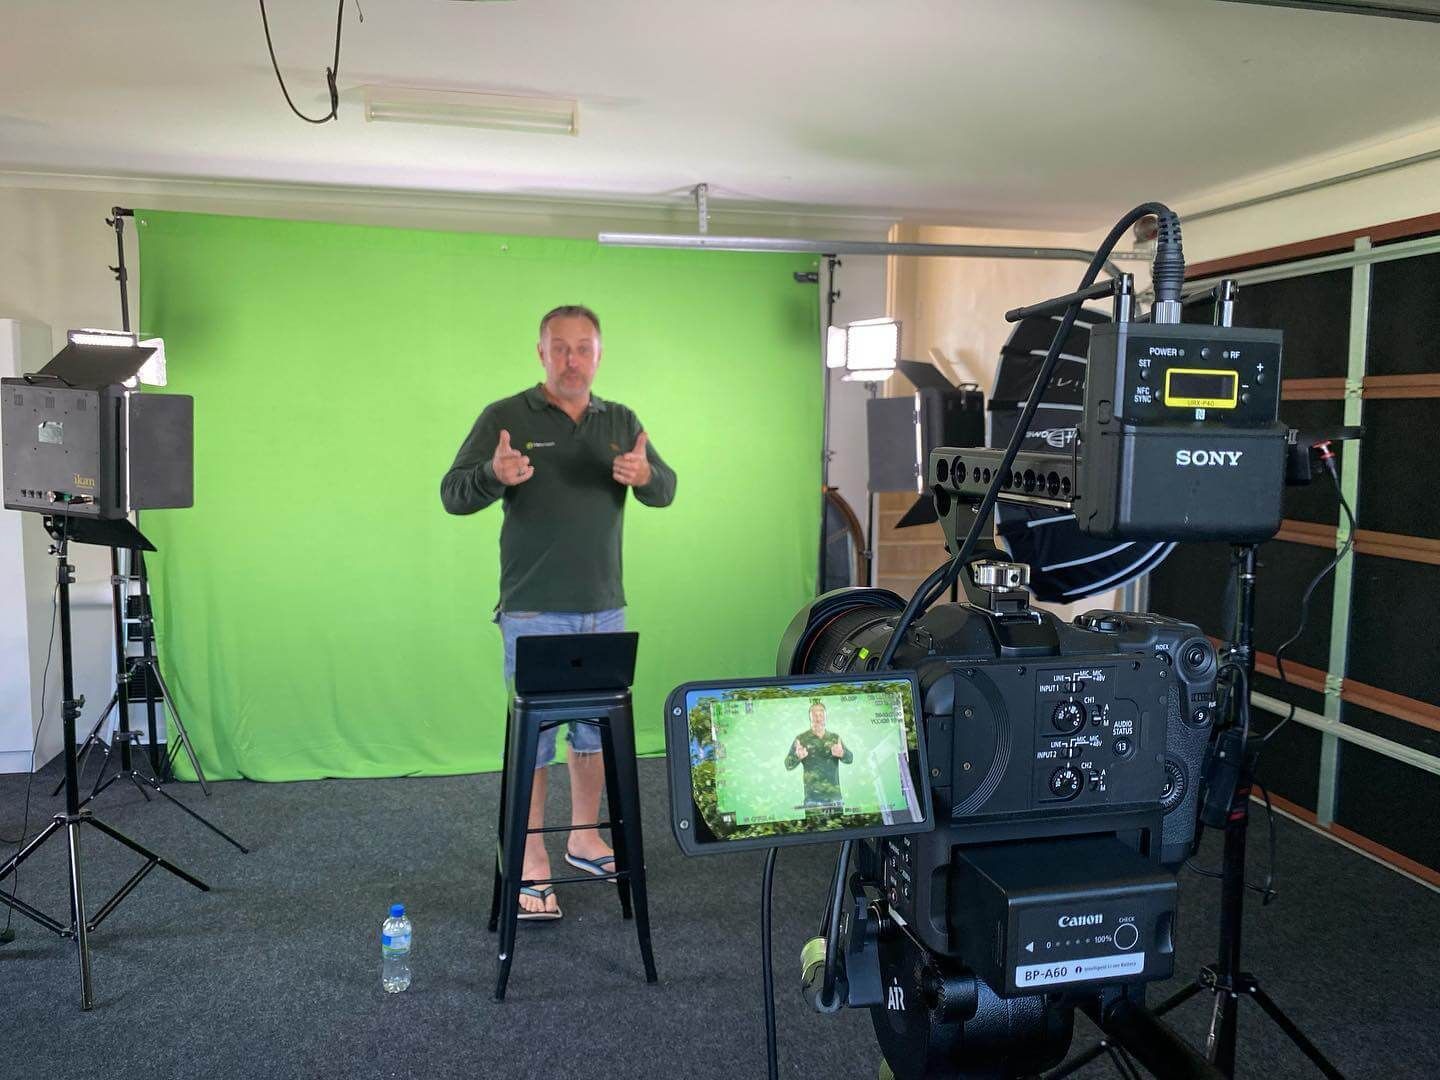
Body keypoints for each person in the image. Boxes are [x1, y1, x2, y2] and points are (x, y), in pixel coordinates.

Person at [441, 305, 676, 919]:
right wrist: (493, 474)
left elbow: (666, 487)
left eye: (584, 348)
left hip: (604, 609)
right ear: (541, 353)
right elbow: (452, 493)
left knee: (594, 733)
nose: (572, 360)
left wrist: (645, 473)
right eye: (560, 348)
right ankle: (529, 861)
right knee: (537, 740)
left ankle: (583, 836)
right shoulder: (506, 416)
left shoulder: (620, 420)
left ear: (599, 354)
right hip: (533, 611)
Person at [784, 701, 853, 810]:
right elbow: (788, 765)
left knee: (840, 826)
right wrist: (797, 757)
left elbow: (850, 758)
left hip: (834, 799)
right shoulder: (801, 739)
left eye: (821, 714)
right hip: (812, 800)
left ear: (825, 717)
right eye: (815, 714)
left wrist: (842, 753)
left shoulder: (835, 738)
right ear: (810, 717)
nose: (818, 717)